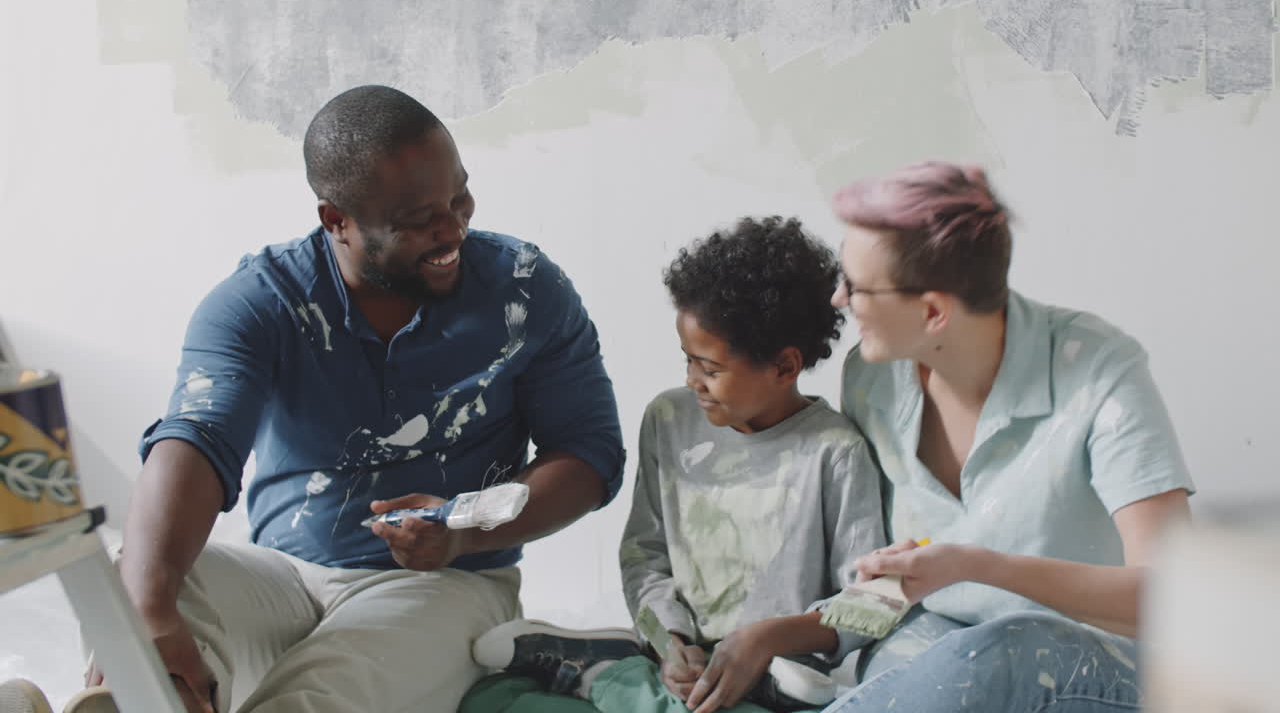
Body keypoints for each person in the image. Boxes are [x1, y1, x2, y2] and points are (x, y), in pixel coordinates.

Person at [6, 85, 625, 713]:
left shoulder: (524, 286)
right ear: (337, 220)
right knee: (134, 581)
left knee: (334, 689)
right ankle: (147, 697)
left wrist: (463, 529)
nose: (453, 227)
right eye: (419, 220)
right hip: (281, 577)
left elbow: (588, 454)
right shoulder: (261, 300)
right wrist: (150, 607)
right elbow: (195, 437)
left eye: (459, 194)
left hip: (447, 581)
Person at [464, 217, 886, 713]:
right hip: (681, 664)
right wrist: (670, 641)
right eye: (687, 360)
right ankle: (623, 677)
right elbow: (645, 554)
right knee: (492, 702)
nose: (692, 381)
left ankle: (605, 676)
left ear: (784, 367)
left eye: (710, 369)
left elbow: (870, 604)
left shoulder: (834, 451)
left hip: (776, 678)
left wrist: (765, 640)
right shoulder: (670, 419)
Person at [821, 161, 1194, 712]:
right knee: (915, 660)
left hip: (1106, 665)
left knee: (1004, 650)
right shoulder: (872, 376)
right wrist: (781, 635)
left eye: (855, 286)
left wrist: (978, 564)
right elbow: (898, 584)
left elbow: (1173, 599)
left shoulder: (1097, 370)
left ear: (931, 311)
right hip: (950, 647)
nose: (838, 299)